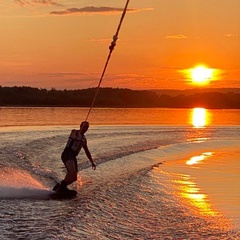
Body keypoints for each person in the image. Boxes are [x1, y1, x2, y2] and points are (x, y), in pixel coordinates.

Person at [53, 121, 96, 192]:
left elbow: (87, 151)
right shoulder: (74, 132)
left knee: (74, 178)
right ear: (80, 126)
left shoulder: (84, 139)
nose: (85, 128)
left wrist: (92, 162)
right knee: (72, 172)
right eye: (84, 127)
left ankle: (62, 185)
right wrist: (78, 139)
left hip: (73, 157)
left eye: (87, 127)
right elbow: (73, 137)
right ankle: (62, 187)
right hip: (67, 154)